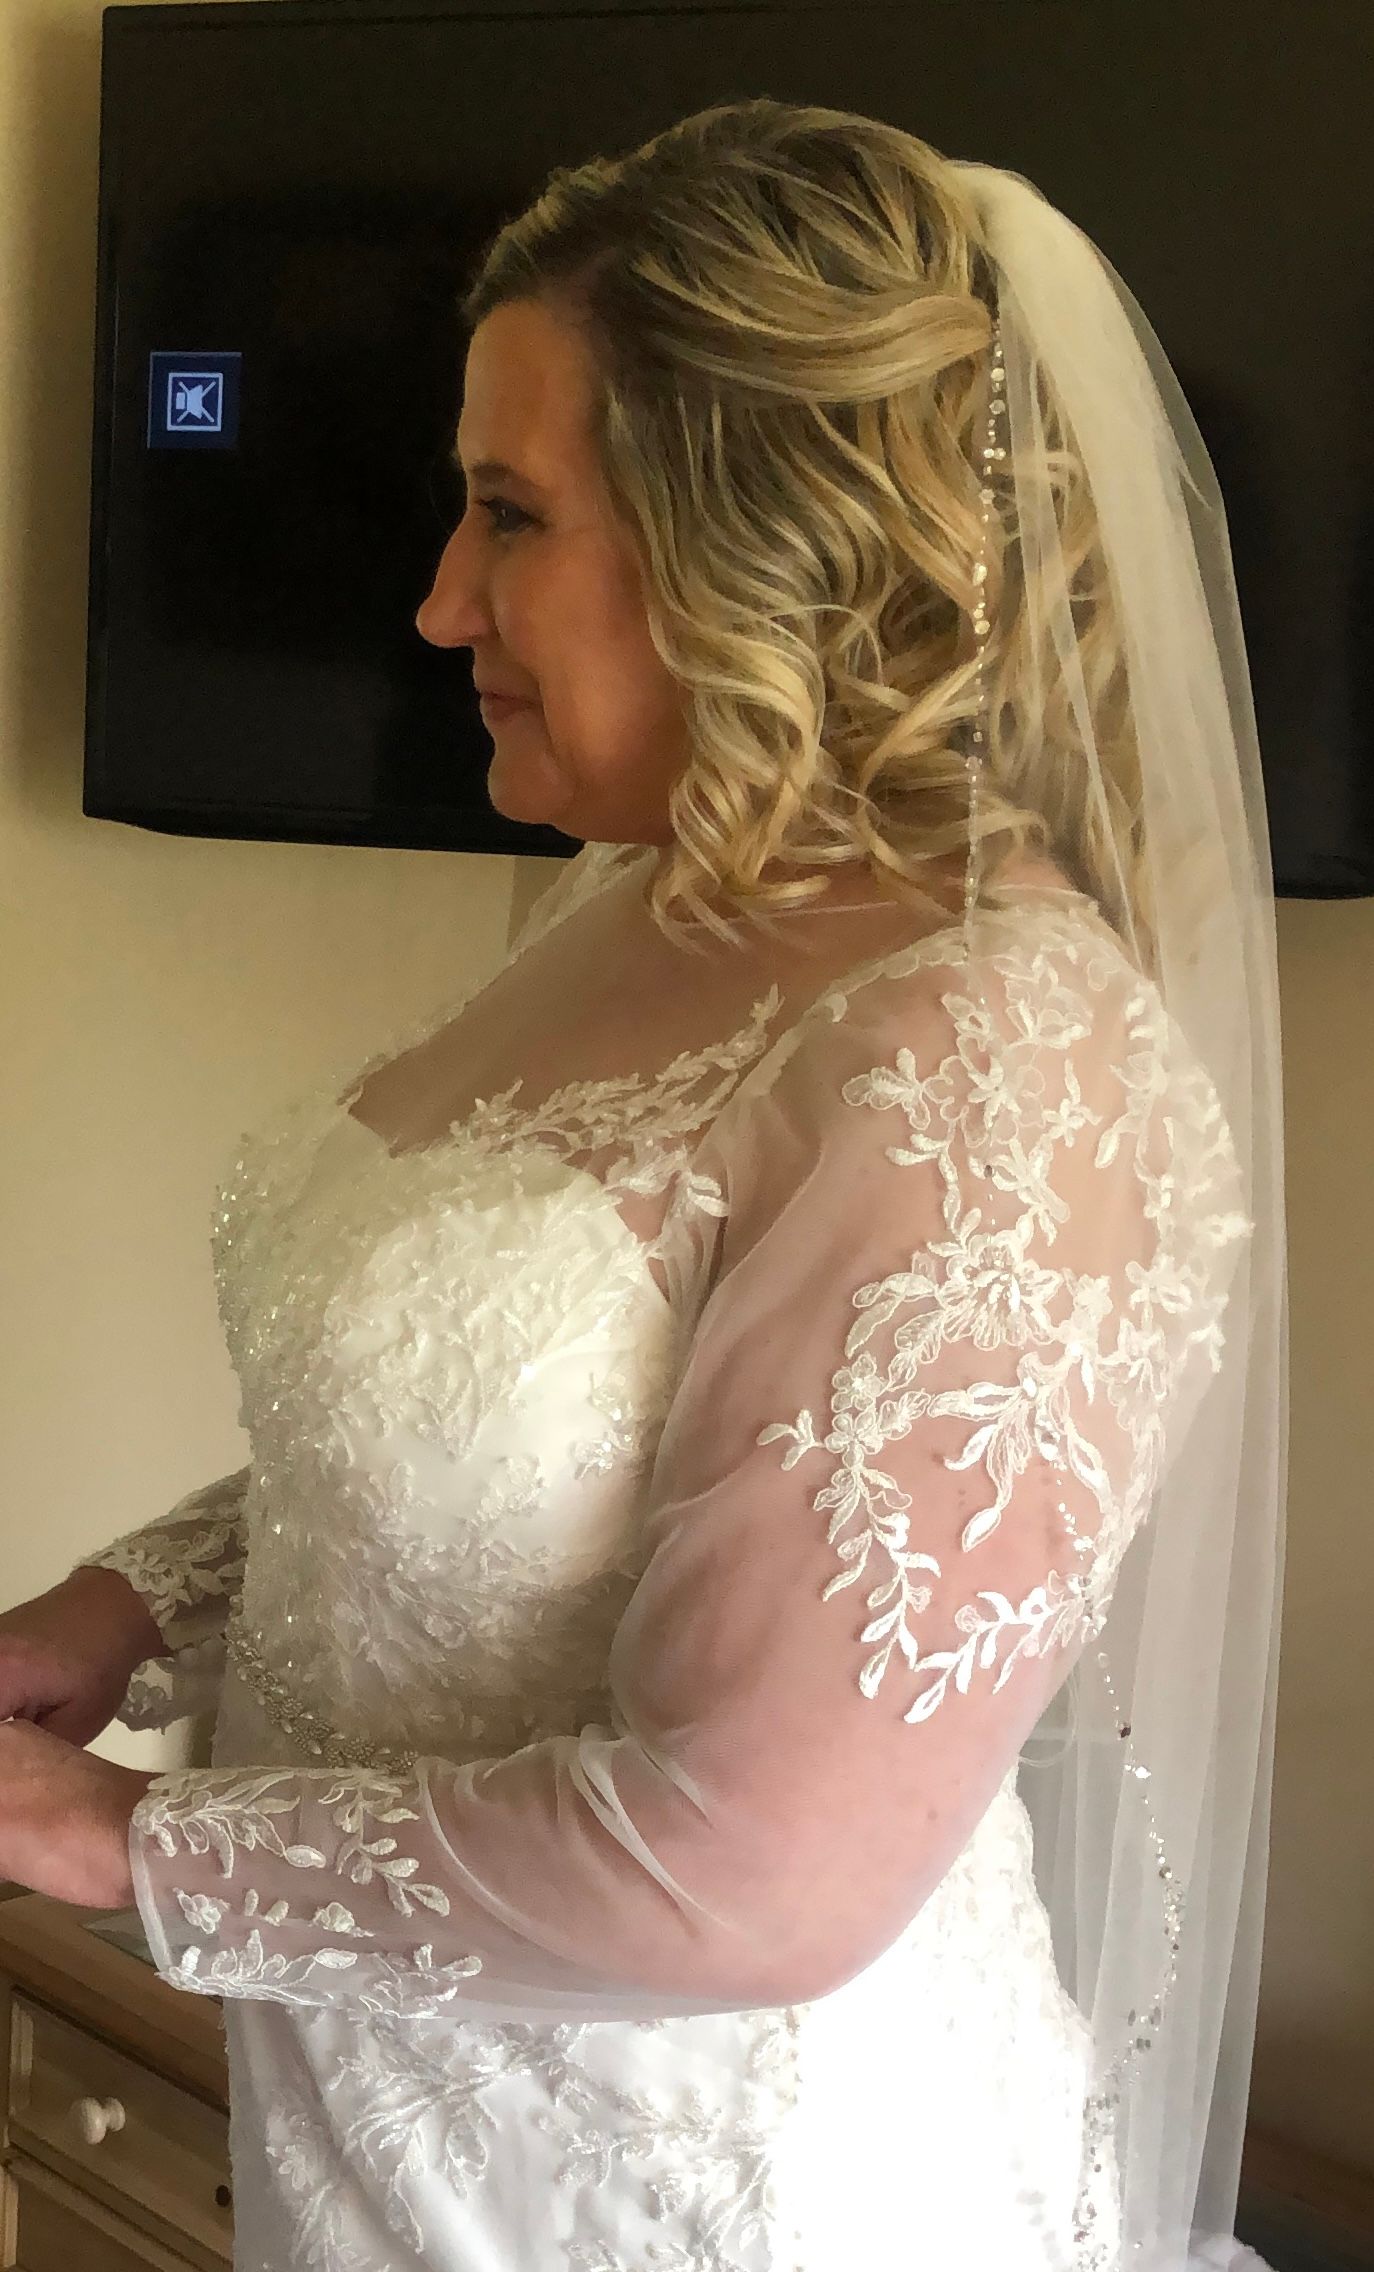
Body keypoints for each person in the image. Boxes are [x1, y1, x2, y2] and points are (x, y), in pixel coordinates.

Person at [0, 99, 1285, 2272]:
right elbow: (507, 1452)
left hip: (725, 2196)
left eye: (509, 513)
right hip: (406, 2140)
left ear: (758, 533)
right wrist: (131, 1606)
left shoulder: (1002, 1061)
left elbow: (751, 1865)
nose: (437, 602)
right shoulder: (630, 899)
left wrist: (125, 1838)